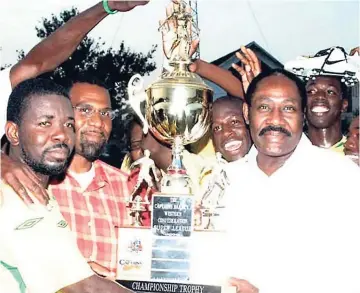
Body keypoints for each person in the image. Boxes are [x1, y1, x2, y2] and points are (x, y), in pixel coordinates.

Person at [0, 0, 150, 204]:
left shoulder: (126, 189)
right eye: (85, 110)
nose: (97, 121)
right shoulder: (32, 175)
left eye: (105, 113)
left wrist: (107, 6)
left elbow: (39, 61)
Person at [224, 69, 360, 293]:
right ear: (247, 113)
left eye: (288, 108)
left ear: (303, 114)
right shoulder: (224, 181)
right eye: (264, 107)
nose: (275, 120)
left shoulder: (343, 180)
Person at [0, 78, 131, 293]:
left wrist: (77, 270)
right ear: (14, 133)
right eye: (45, 123)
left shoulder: (41, 197)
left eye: (69, 125)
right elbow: (85, 288)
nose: (62, 134)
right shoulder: (16, 195)